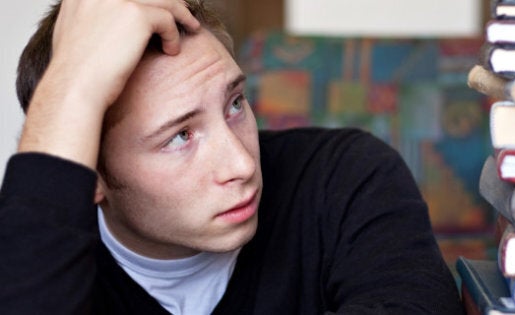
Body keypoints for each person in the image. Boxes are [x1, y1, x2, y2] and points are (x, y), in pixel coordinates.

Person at [0, 0, 465, 314]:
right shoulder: (31, 255)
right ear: (92, 177)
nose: (242, 165)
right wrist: (68, 90)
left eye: (235, 104)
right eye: (180, 136)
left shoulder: (345, 175)